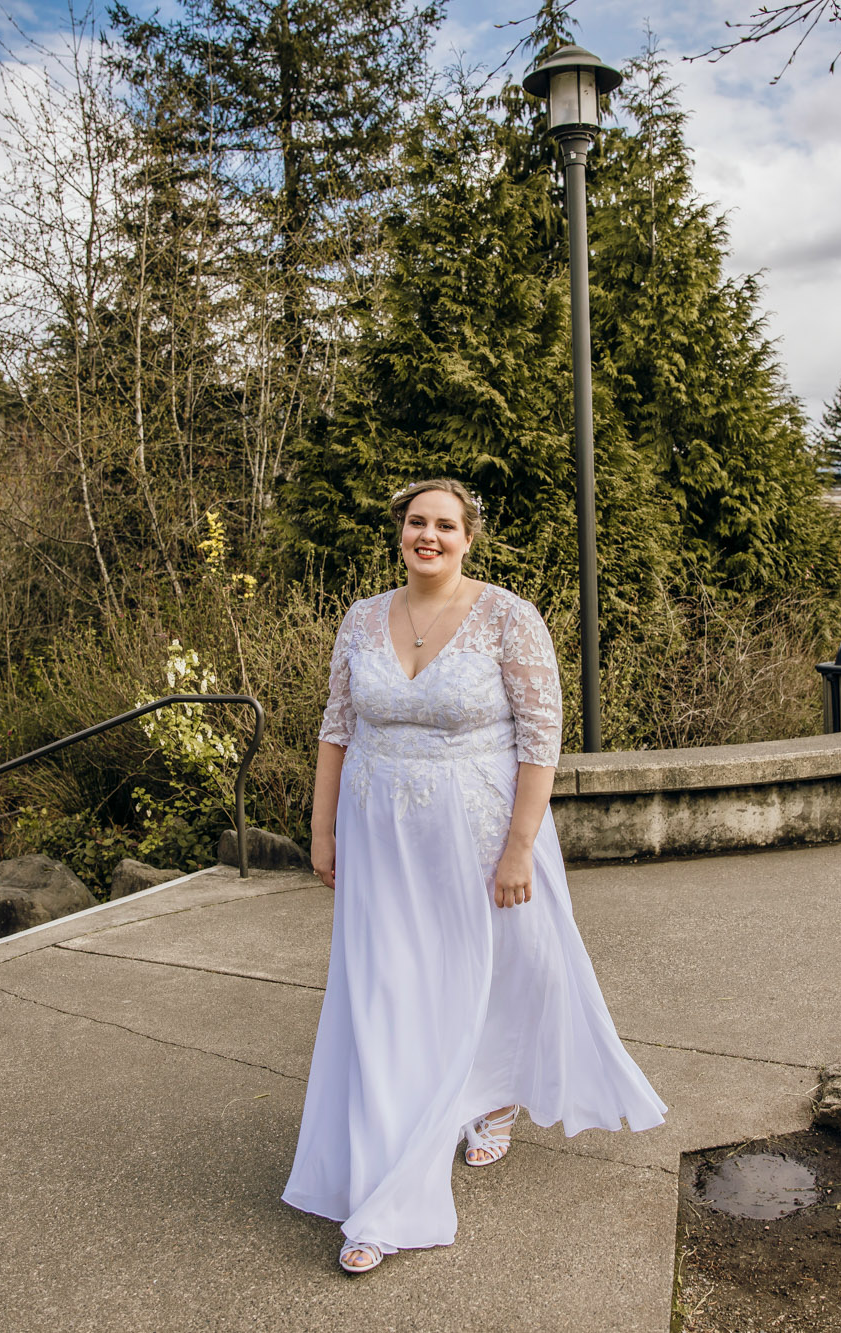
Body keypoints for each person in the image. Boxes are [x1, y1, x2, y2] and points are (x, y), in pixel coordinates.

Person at [283, 479, 665, 1275]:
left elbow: (541, 733)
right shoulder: (359, 618)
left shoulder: (507, 616)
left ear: (468, 536)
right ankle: (386, 1192)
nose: (430, 535)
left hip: (481, 828)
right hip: (378, 832)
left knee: (490, 974)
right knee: (388, 990)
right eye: (417, 523)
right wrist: (321, 829)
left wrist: (521, 846)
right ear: (399, 532)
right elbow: (335, 728)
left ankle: (491, 1091)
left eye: (445, 525)